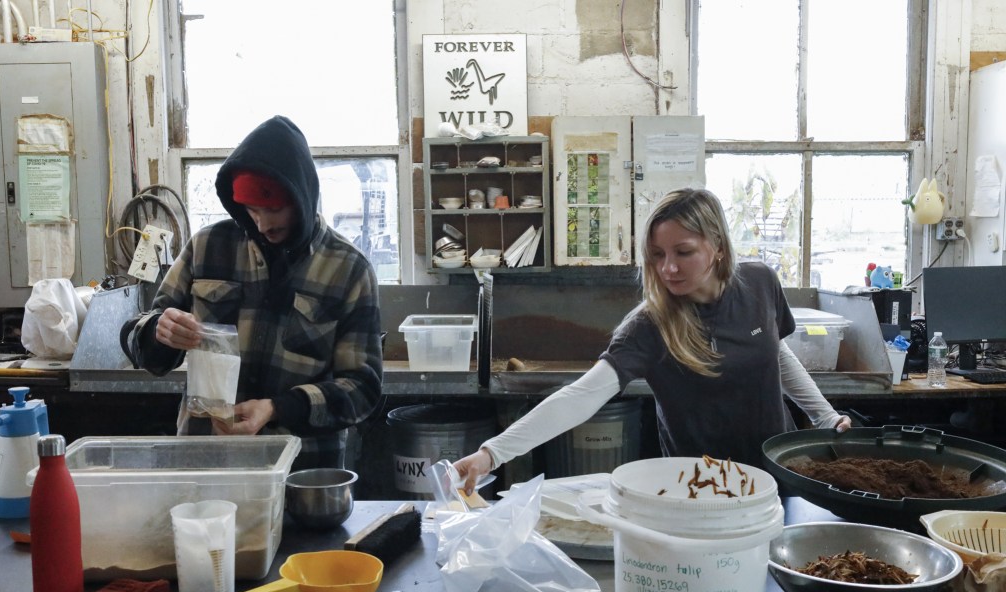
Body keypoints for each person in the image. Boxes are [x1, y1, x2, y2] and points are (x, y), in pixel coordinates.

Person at [454, 187, 850, 493]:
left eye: (684, 252)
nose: (668, 268)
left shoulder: (760, 282)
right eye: (657, 255)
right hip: (698, 486)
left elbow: (776, 354)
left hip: (773, 472)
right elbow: (582, 396)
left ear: (717, 248)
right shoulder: (649, 325)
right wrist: (493, 453)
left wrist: (824, 415)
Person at [121, 115, 383, 470]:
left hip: (299, 473)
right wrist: (158, 331)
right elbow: (137, 338)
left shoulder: (349, 270)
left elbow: (362, 390)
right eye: (251, 210)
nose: (262, 223)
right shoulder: (207, 247)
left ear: (303, 197)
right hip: (206, 464)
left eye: (274, 209)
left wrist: (277, 408)